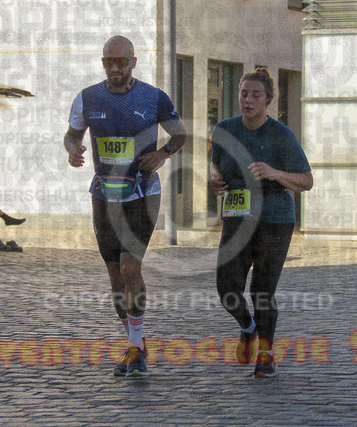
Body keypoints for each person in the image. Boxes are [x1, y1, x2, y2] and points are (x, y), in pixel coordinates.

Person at [63, 35, 187, 377]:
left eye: (121, 61)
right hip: (104, 194)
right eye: (109, 62)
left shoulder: (154, 97)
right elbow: (72, 134)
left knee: (131, 266)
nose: (114, 68)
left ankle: (135, 350)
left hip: (142, 192)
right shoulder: (88, 97)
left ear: (133, 62)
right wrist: (72, 149)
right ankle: (136, 343)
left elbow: (180, 134)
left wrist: (162, 154)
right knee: (116, 277)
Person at [210, 67, 313, 378]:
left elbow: (306, 181)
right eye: (244, 94)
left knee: (262, 291)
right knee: (227, 288)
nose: (248, 100)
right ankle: (248, 327)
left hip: (274, 219)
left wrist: (274, 172)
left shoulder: (281, 135)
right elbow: (216, 163)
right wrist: (215, 177)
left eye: (256, 95)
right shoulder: (224, 129)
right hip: (237, 217)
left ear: (268, 100)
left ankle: (266, 356)